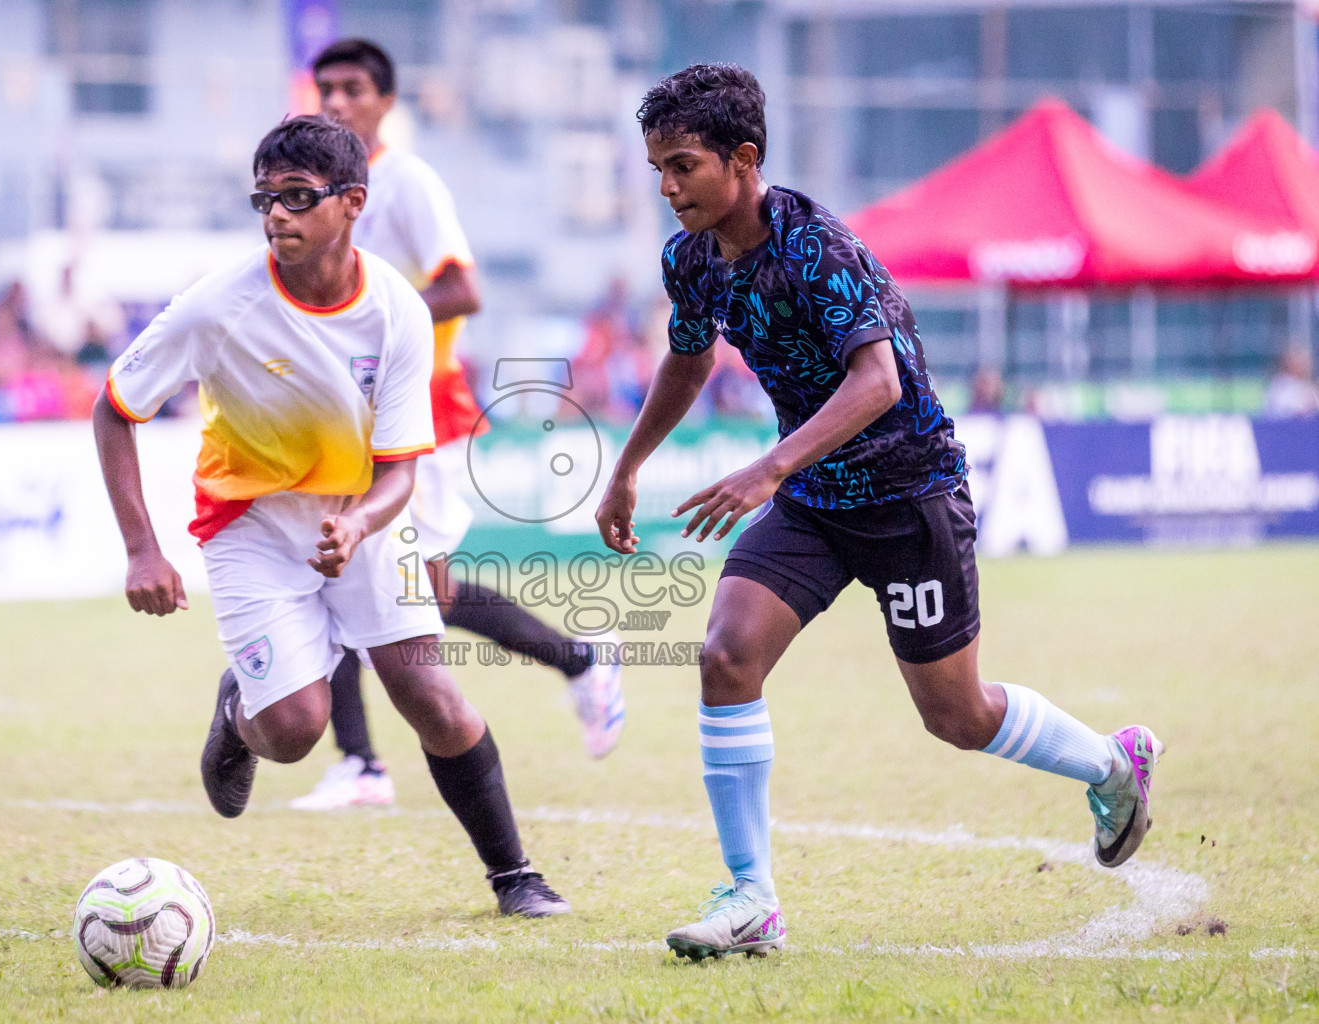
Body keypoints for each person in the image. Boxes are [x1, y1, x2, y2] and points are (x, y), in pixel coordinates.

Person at [594, 64, 1163, 960]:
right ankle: (753, 900)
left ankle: (1110, 763)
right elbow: (687, 358)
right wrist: (627, 467)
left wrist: (766, 469)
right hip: (818, 501)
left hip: (908, 495)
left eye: (683, 166)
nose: (666, 187)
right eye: (657, 167)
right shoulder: (691, 260)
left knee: (957, 718)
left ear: (743, 160)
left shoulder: (814, 247)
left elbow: (877, 380)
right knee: (725, 656)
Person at [92, 115, 569, 917]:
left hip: (364, 520)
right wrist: (142, 550)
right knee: (293, 729)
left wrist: (358, 526)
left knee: (431, 699)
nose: (276, 215)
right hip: (249, 525)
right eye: (264, 199)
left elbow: (399, 469)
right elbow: (114, 408)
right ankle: (237, 713)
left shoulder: (397, 310)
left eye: (296, 198)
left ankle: (514, 876)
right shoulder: (216, 307)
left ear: (352, 202)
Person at [289, 39, 624, 811]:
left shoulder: (403, 182)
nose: (336, 101)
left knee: (412, 591)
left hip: (419, 412)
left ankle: (579, 661)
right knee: (339, 568)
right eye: (326, 88)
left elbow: (465, 289)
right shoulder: (320, 192)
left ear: (385, 101)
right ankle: (363, 764)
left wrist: (367, 325)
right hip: (349, 415)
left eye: (353, 89)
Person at [1264, 345, 1319, 418]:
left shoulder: (1309, 386)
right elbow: (1277, 410)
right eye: (1299, 360)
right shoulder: (1281, 384)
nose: (1303, 365)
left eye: (1305, 361)